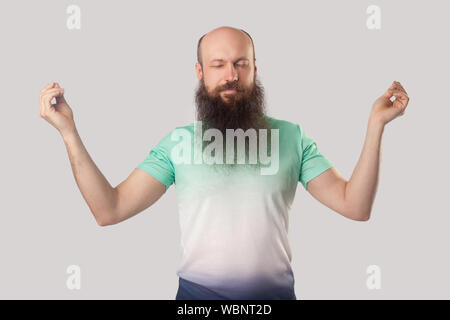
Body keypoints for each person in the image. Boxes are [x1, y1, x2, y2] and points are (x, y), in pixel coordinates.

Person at [38, 26, 410, 300]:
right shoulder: (179, 143)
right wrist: (68, 132)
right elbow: (109, 210)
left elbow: (356, 206)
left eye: (240, 64)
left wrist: (376, 126)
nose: (231, 76)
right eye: (218, 65)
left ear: (254, 69)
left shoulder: (292, 137)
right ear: (200, 73)